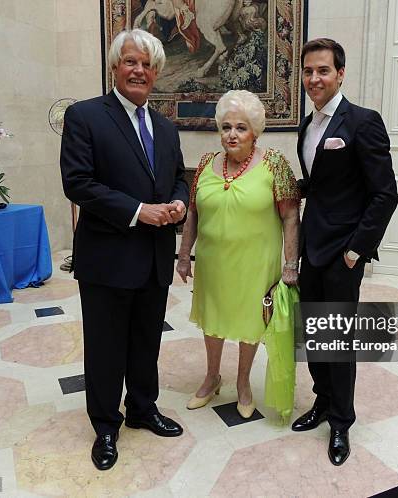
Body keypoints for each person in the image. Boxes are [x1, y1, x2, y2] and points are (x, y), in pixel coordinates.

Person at [60, 28, 189, 471]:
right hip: (108, 258)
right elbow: (78, 183)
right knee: (105, 346)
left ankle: (143, 409)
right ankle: (105, 426)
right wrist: (138, 211)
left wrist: (178, 202)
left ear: (157, 73)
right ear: (115, 67)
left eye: (148, 64)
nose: (139, 70)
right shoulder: (86, 116)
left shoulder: (167, 128)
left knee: (145, 341)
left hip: (153, 258)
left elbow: (178, 177)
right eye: (131, 61)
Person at [293, 38, 398, 466]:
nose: (314, 79)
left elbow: (385, 195)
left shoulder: (363, 122)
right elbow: (321, 185)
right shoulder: (307, 126)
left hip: (343, 252)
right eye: (308, 72)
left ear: (340, 74)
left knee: (336, 336)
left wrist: (356, 251)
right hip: (310, 245)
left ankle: (341, 421)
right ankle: (321, 400)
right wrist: (286, 191)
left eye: (322, 71)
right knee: (314, 333)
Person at [176, 90, 300, 419]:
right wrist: (184, 254)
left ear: (255, 131)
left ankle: (243, 382)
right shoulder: (205, 164)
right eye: (226, 126)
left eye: (241, 127)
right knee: (212, 318)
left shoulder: (274, 163)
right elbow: (193, 214)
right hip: (214, 263)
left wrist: (290, 264)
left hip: (256, 263)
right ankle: (212, 376)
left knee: (250, 320)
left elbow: (290, 216)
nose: (232, 134)